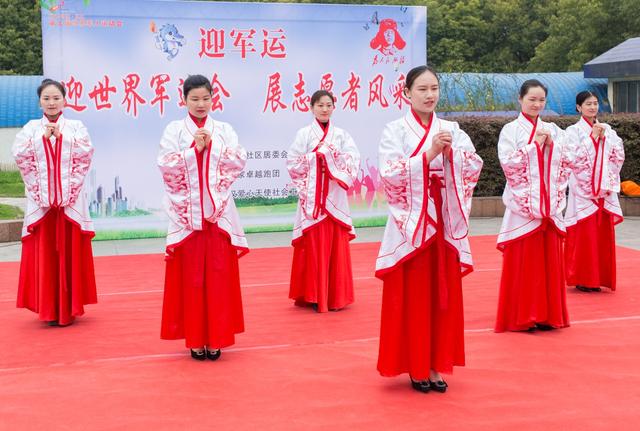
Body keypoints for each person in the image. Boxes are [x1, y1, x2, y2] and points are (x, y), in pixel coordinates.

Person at [375, 66, 483, 393]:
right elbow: (390, 173)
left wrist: (453, 156)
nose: (429, 94)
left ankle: (438, 364)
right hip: (414, 221)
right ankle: (416, 364)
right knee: (415, 294)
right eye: (421, 89)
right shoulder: (394, 130)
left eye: (434, 88)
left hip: (444, 219)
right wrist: (429, 154)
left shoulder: (451, 128)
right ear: (406, 93)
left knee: (442, 294)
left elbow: (472, 164)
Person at [157, 74, 248, 361]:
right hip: (188, 217)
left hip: (217, 216)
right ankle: (196, 339)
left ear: (213, 98)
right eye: (194, 99)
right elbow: (166, 165)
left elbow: (238, 160)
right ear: (183, 100)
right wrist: (192, 151)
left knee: (219, 275)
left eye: (206, 98)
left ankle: (217, 337)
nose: (200, 104)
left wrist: (214, 149)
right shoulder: (174, 130)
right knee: (192, 278)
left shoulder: (223, 130)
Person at [12, 78, 96, 327]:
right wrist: (41, 140)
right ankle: (48, 308)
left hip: (69, 204)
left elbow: (86, 152)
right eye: (47, 98)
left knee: (70, 252)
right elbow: (19, 155)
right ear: (39, 101)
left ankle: (69, 307)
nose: (51, 102)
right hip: (43, 206)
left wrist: (63, 139)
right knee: (45, 253)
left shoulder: (76, 127)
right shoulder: (30, 128)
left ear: (65, 100)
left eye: (56, 98)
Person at [495, 79, 574, 332]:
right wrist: (534, 147)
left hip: (548, 208)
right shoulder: (510, 130)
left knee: (548, 263)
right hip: (523, 208)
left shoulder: (552, 128)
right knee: (524, 263)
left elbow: (569, 158)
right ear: (520, 99)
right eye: (532, 99)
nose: (537, 104)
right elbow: (508, 164)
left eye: (541, 100)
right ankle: (523, 316)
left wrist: (551, 145)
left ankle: (547, 315)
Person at [287, 90, 360, 313]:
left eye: (329, 105)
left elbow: (352, 158)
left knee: (336, 245)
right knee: (313, 245)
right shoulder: (304, 134)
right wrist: (316, 158)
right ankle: (312, 294)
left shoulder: (342, 135)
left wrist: (330, 157)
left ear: (333, 107)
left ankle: (336, 296)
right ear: (311, 107)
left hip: (334, 195)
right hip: (313, 199)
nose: (325, 109)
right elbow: (293, 162)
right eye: (320, 105)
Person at [564, 91, 625, 292]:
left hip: (603, 191)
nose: (592, 107)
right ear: (578, 107)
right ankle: (583, 278)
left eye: (595, 103)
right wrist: (592, 140)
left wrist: (605, 178)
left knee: (601, 235)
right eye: (588, 104)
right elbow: (572, 159)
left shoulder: (608, 129)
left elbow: (618, 155)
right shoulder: (572, 131)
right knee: (584, 235)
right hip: (583, 191)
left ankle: (600, 278)